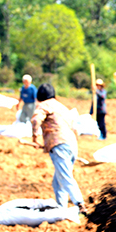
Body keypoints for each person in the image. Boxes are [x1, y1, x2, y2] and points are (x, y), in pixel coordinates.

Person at [29, 83, 86, 214]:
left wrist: (35, 136)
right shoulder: (62, 107)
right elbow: (73, 126)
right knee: (58, 181)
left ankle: (80, 204)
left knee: (65, 177)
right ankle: (61, 209)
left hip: (59, 145)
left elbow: (36, 120)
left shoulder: (44, 105)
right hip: (72, 144)